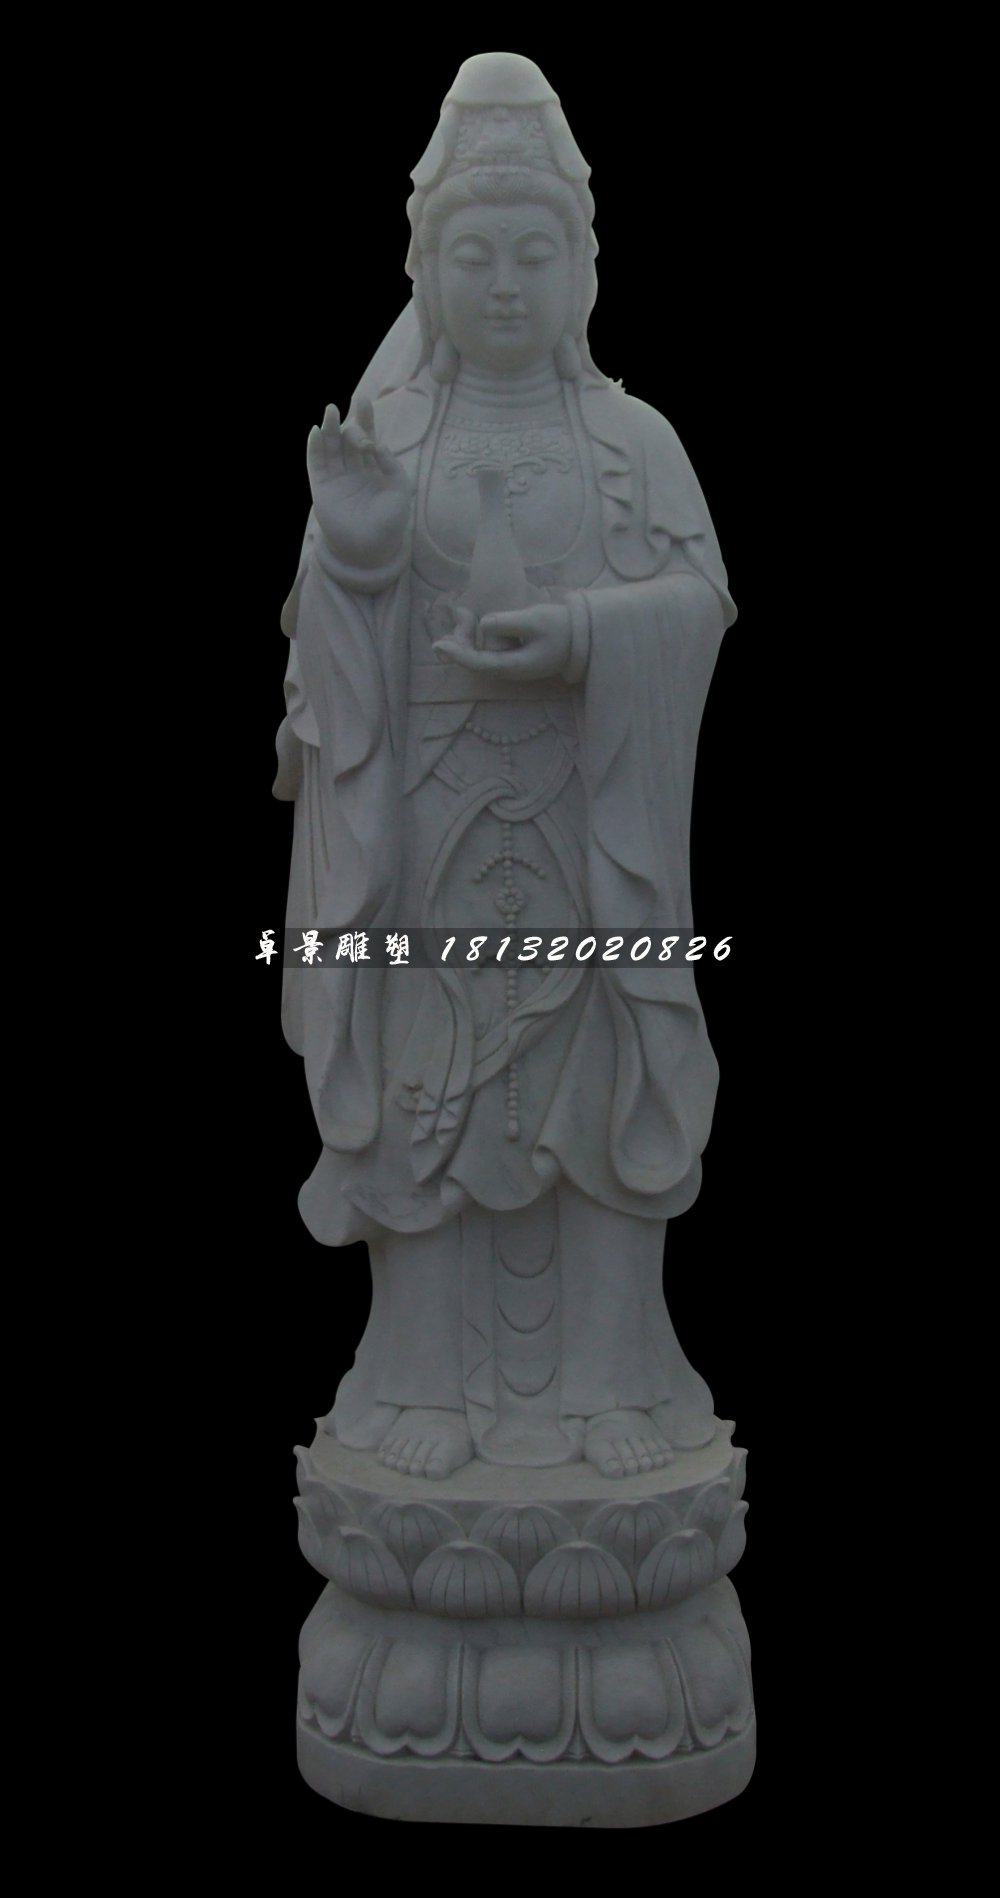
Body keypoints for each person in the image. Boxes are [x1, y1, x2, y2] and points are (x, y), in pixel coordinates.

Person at [273, 52, 737, 1480]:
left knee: (596, 1089)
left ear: (584, 269)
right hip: (425, 833)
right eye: (471, 256)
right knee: (431, 1082)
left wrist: (590, 636)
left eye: (536, 254)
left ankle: (610, 1385)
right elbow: (326, 668)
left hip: (591, 836)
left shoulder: (633, 443)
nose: (506, 285)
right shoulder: (390, 440)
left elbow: (700, 604)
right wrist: (356, 552)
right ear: (425, 271)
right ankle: (419, 1378)